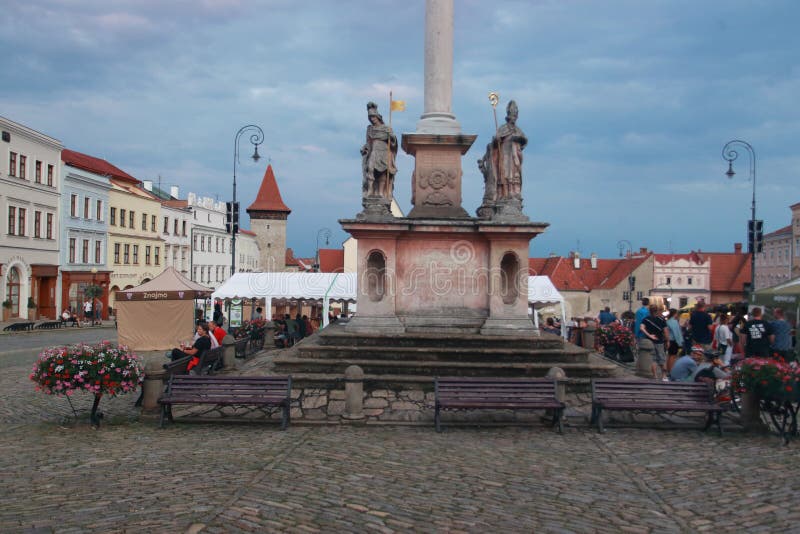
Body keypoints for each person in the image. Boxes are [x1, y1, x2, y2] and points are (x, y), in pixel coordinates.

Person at [361, 101, 397, 200]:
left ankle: (381, 192)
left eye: (373, 117)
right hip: (374, 150)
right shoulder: (370, 129)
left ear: (378, 117)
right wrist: (365, 148)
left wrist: (392, 136)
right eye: (370, 117)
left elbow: (393, 143)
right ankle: (370, 190)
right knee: (370, 169)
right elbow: (368, 142)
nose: (372, 119)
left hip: (384, 151)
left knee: (383, 172)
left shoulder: (386, 128)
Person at [640, 304, 670, 380]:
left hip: (650, 342)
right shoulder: (662, 319)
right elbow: (666, 331)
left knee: (653, 359)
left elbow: (641, 328)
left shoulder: (646, 319)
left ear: (649, 311)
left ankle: (655, 376)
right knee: (662, 359)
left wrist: (649, 335)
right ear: (657, 310)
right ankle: (664, 376)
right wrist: (667, 341)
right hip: (659, 341)